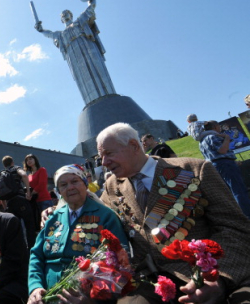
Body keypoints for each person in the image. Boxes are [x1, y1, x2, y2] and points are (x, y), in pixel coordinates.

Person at [96, 122, 250, 303]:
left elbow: (235, 229)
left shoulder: (193, 170)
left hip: (208, 273)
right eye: (101, 157)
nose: (104, 163)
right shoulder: (112, 186)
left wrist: (216, 278)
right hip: (151, 283)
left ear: (134, 146)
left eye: (109, 153)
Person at [28, 164, 128, 304]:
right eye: (63, 184)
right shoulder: (52, 218)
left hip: (84, 297)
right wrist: (35, 287)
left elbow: (121, 261)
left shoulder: (106, 216)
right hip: (46, 296)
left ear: (85, 184)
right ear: (58, 191)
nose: (70, 187)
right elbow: (36, 255)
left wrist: (93, 300)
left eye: (75, 181)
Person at [35, 0, 116, 105]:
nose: (64, 15)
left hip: (87, 47)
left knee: (98, 69)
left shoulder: (80, 21)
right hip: (74, 56)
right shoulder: (61, 35)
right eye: (62, 15)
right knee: (83, 79)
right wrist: (41, 30)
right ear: (61, 20)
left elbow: (91, 7)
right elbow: (49, 34)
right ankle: (92, 102)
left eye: (66, 13)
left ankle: (109, 95)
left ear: (70, 15)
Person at [199, 120, 250, 219]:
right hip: (226, 164)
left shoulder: (202, 141)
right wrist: (227, 138)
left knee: (230, 191)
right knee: (238, 189)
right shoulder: (213, 136)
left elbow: (213, 156)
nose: (220, 128)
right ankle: (247, 214)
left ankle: (240, 214)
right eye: (218, 125)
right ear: (214, 127)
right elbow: (222, 150)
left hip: (216, 166)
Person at [0, 155, 37, 248]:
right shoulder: (15, 168)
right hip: (20, 200)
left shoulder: (1, 174)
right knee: (29, 225)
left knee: (15, 228)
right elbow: (24, 175)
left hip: (10, 204)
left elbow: (1, 195)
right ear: (12, 162)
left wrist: (5, 207)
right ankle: (31, 249)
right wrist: (28, 191)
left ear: (4, 165)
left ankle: (19, 249)